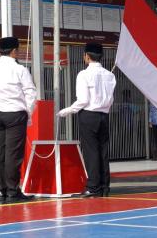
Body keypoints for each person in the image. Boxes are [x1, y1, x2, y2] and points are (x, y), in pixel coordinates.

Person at [57, 43, 116, 197]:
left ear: (87, 57)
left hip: (89, 115)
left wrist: (66, 111)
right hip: (104, 115)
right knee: (103, 151)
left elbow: (83, 100)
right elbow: (110, 100)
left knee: (91, 152)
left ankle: (93, 187)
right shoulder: (110, 75)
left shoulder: (83, 74)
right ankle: (104, 187)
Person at [0, 37, 37, 201]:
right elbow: (31, 93)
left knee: (0, 152)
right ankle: (13, 190)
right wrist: (28, 113)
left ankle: (1, 189)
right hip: (15, 113)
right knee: (13, 154)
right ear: (14, 51)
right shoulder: (20, 70)